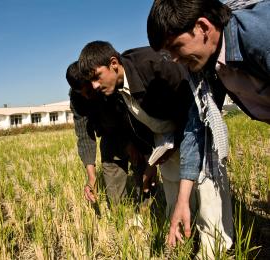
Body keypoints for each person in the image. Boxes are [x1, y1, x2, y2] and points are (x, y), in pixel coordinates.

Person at [147, 0, 270, 257]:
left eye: (176, 48)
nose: (176, 60)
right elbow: (196, 126)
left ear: (203, 27)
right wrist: (183, 200)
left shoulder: (261, 36)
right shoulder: (205, 67)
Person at [78, 41, 218, 254]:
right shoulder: (113, 91)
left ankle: (213, 249)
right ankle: (184, 244)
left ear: (113, 64)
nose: (95, 86)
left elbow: (191, 103)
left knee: (206, 188)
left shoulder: (154, 66)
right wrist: (152, 160)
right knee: (173, 190)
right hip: (164, 138)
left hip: (195, 128)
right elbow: (136, 125)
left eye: (97, 77)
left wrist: (177, 141)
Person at [66, 61, 157, 207]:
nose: (87, 97)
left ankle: (147, 212)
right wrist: (92, 177)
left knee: (146, 186)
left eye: (89, 91)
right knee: (115, 201)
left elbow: (133, 115)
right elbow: (84, 134)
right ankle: (121, 218)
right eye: (81, 94)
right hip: (109, 135)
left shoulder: (110, 82)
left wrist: (132, 142)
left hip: (136, 131)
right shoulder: (78, 98)